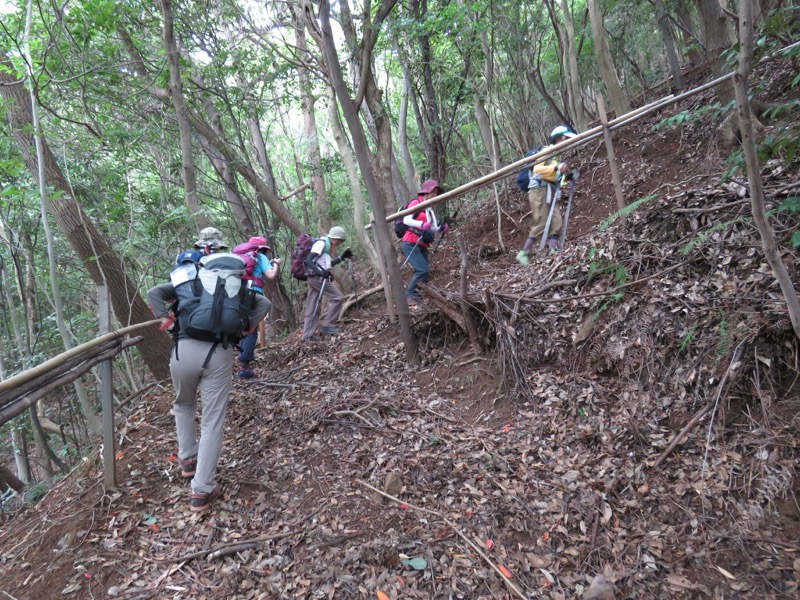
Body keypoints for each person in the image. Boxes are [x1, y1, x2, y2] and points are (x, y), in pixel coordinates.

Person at [147, 228, 272, 512]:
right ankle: (202, 490)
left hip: (183, 350)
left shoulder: (188, 278)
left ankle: (187, 460)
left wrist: (164, 318)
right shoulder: (238, 286)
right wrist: (248, 326)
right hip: (219, 353)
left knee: (183, 404)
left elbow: (155, 293)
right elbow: (264, 302)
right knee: (212, 420)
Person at [516, 125, 577, 264]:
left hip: (550, 191)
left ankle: (552, 251)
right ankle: (524, 253)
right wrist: (557, 167)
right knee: (542, 222)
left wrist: (567, 177)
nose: (569, 143)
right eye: (567, 139)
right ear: (562, 138)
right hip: (539, 189)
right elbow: (537, 168)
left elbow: (554, 178)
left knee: (556, 221)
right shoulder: (547, 150)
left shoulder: (555, 156)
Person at [236, 236, 280, 379]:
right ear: (262, 248)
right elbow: (271, 275)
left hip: (236, 294)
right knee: (251, 329)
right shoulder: (260, 257)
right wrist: (276, 264)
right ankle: (244, 367)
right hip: (253, 295)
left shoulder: (238, 257)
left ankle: (240, 358)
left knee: (243, 325)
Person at [401, 179, 449, 306]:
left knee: (425, 271)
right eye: (433, 192)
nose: (435, 195)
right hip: (411, 241)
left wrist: (441, 228)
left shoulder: (429, 209)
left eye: (436, 193)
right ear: (426, 192)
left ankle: (420, 296)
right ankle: (410, 295)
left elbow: (431, 228)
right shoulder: (416, 203)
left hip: (422, 243)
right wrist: (421, 224)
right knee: (422, 270)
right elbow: (406, 220)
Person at [300, 226, 352, 341]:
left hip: (314, 277)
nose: (339, 243)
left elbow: (325, 264)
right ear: (335, 238)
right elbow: (309, 260)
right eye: (339, 240)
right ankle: (328, 324)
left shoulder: (326, 245)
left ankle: (307, 336)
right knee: (338, 297)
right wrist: (320, 273)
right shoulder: (322, 243)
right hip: (316, 278)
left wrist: (342, 257)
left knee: (312, 306)